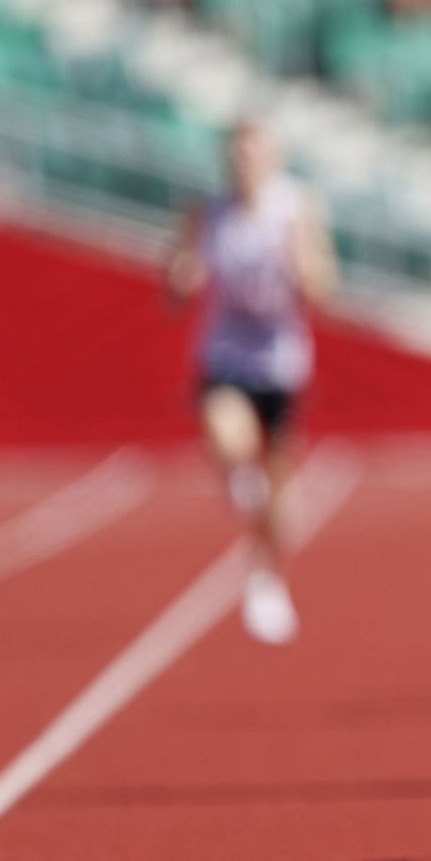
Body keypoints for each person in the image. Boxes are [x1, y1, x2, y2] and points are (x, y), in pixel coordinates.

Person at [166, 120, 336, 643]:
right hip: (226, 354)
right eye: (236, 154)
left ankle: (267, 580)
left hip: (281, 362)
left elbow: (324, 289)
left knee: (279, 500)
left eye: (253, 153)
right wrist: (180, 275)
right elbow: (174, 279)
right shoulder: (207, 212)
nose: (244, 163)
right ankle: (243, 476)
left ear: (271, 158)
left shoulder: (296, 207)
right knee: (225, 434)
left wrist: (303, 266)